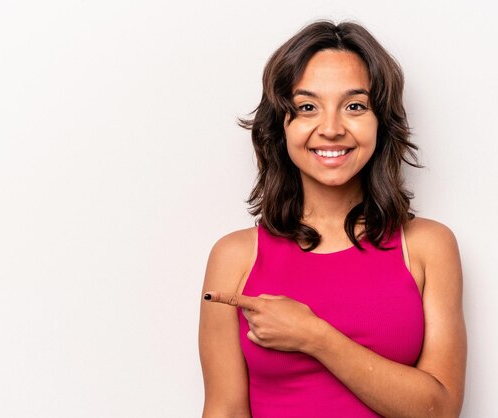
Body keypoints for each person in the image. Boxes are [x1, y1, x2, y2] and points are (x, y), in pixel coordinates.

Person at [198, 20, 466, 418]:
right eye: (307, 107)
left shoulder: (428, 246)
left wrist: (314, 336)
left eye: (355, 106)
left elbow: (439, 410)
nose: (331, 129)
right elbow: (224, 409)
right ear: (281, 126)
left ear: (381, 123)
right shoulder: (235, 256)